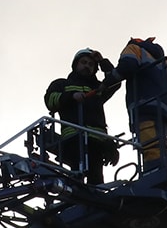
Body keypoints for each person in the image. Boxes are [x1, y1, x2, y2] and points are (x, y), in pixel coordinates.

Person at [44, 48, 121, 185]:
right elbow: (50, 100)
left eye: (91, 64)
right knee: (75, 180)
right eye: (83, 62)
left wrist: (102, 61)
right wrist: (71, 96)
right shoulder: (62, 84)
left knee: (96, 181)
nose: (87, 66)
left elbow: (115, 81)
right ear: (75, 65)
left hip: (97, 141)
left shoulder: (98, 87)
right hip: (73, 139)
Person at [100, 37, 167, 174]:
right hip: (164, 110)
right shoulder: (164, 62)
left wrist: (106, 83)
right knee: (160, 143)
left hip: (144, 106)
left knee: (150, 145)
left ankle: (155, 173)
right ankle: (163, 170)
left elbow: (127, 67)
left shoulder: (134, 48)